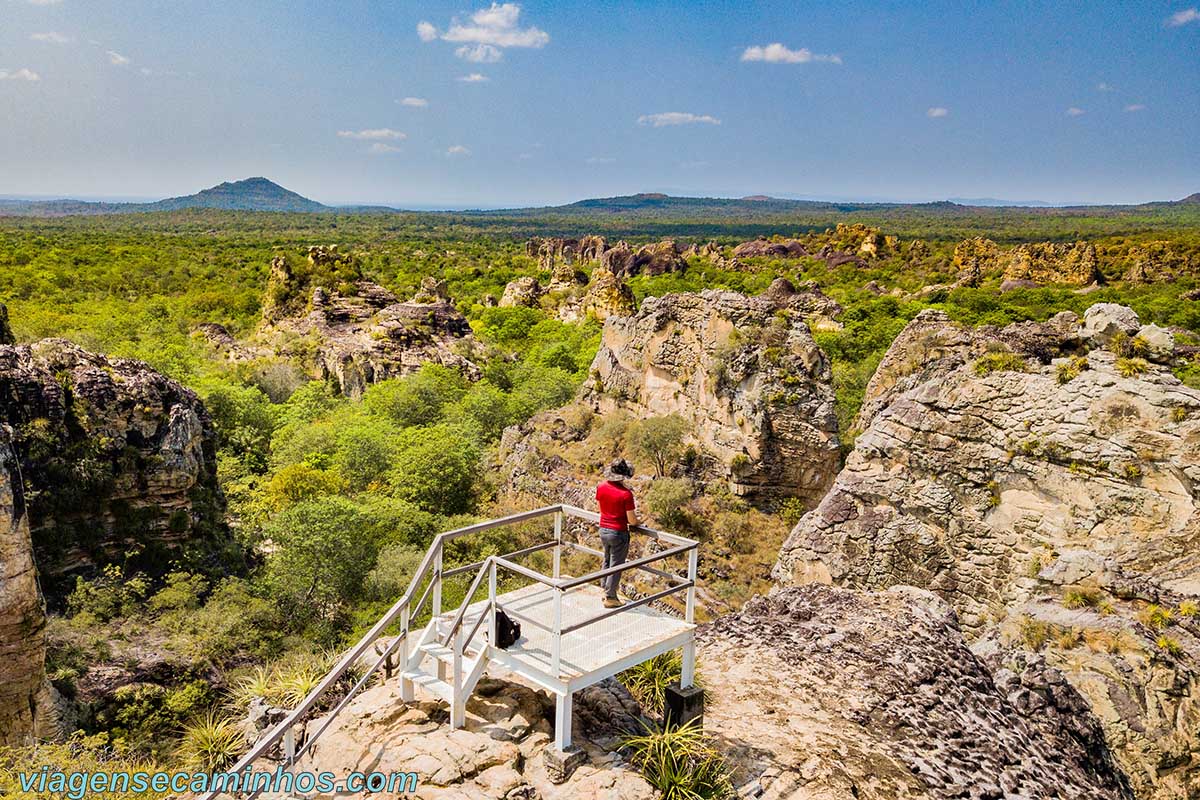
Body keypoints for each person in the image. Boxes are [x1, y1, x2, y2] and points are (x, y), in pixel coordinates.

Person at [595, 458, 638, 608]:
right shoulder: (626, 494)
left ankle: (605, 590)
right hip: (618, 532)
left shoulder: (601, 486)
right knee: (616, 564)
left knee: (607, 559)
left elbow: (601, 507)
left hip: (603, 530)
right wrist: (638, 523)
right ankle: (611, 597)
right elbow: (632, 520)